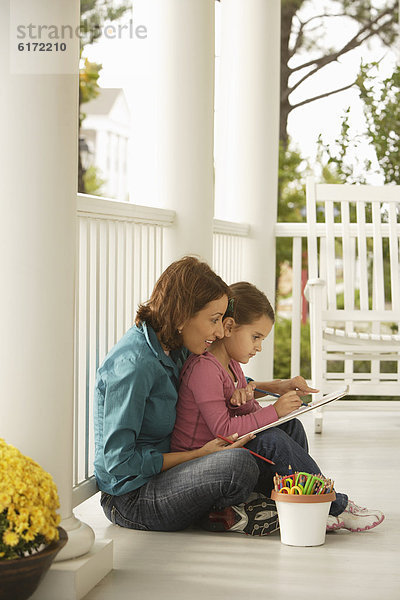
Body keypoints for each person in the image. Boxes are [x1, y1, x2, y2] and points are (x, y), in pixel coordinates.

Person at [171, 281, 385, 533]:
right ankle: (332, 504)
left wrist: (254, 400)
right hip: (201, 463)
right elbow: (224, 429)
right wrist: (274, 410)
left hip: (224, 452)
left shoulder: (232, 367)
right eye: (256, 337)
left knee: (291, 426)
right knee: (271, 440)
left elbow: (243, 415)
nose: (259, 346)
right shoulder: (204, 368)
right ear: (229, 327)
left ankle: (298, 501)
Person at [94, 257, 279, 537]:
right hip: (133, 497)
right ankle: (259, 506)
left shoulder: (177, 346)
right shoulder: (134, 366)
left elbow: (216, 389)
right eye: (214, 320)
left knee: (283, 427)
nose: (219, 332)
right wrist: (198, 455)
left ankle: (286, 501)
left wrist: (277, 387)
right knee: (238, 463)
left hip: (173, 473)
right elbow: (119, 462)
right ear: (183, 314)